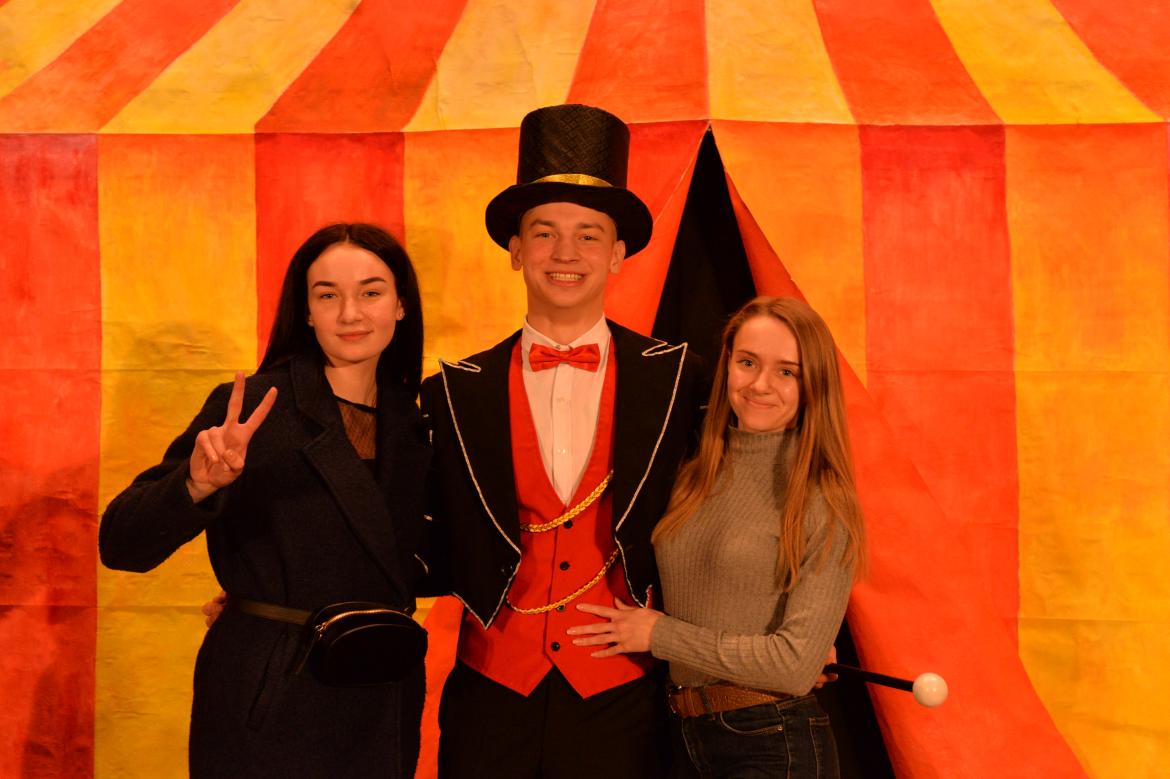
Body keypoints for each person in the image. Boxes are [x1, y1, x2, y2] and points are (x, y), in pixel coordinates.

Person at [417, 103, 706, 779]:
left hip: (622, 693)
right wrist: (291, 592)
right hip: (490, 691)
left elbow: (725, 514)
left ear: (618, 253)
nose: (565, 254)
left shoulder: (679, 379)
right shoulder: (453, 391)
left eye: (588, 235)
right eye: (544, 234)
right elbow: (410, 525)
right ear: (516, 250)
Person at [99, 223, 431, 778]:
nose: (350, 313)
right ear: (306, 312)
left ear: (401, 306)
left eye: (371, 292)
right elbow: (121, 543)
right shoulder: (255, 407)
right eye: (327, 295)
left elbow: (425, 555)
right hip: (272, 694)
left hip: (381, 690)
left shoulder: (417, 419)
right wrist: (197, 486)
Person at [568, 295, 867, 779]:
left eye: (786, 372)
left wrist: (660, 634)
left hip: (775, 742)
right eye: (747, 362)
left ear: (814, 383)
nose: (760, 384)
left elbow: (794, 665)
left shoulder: (823, 498)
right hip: (684, 736)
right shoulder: (695, 472)